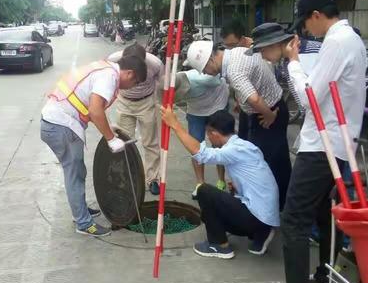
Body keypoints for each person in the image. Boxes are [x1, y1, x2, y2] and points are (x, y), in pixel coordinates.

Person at [257, 0, 367, 283]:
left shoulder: (336, 41)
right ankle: (325, 277)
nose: (306, 33)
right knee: (323, 214)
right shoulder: (352, 39)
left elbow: (308, 101)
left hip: (323, 145)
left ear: (316, 16)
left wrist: (293, 64)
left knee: (294, 219)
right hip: (339, 142)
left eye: (306, 25)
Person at [41, 54, 147, 237]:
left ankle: (80, 210)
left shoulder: (104, 67)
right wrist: (111, 139)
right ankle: (83, 223)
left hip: (55, 122)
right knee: (74, 174)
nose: (132, 87)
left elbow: (87, 105)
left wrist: (108, 127)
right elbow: (95, 110)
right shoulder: (110, 77)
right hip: (61, 126)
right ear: (130, 74)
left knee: (77, 172)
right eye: (135, 82)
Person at [186, 41, 291, 210]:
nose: (206, 73)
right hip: (267, 106)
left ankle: (273, 209)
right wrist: (240, 101)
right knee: (272, 158)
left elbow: (254, 99)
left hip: (268, 112)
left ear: (211, 60)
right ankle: (270, 203)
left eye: (205, 69)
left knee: (270, 162)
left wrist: (269, 115)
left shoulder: (233, 70)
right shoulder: (237, 52)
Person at [161, 107, 279, 257]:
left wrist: (175, 124)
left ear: (214, 134)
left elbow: (200, 154)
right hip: (265, 217)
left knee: (203, 191)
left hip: (256, 217)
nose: (208, 139)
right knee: (218, 204)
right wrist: (239, 187)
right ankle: (262, 233)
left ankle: (219, 245)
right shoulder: (247, 146)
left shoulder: (232, 150)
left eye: (208, 135)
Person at [108, 43, 162, 195]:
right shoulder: (114, 59)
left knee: (150, 143)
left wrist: (163, 104)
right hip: (124, 102)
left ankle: (153, 179)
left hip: (146, 103)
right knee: (123, 141)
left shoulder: (156, 63)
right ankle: (126, 177)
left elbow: (163, 82)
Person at [170, 69, 230, 198]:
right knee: (195, 146)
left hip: (216, 105)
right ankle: (200, 183)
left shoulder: (203, 78)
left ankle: (221, 180)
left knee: (219, 145)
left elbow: (222, 80)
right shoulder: (174, 86)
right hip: (196, 110)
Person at [220, 19, 252, 139]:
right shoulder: (233, 53)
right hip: (245, 104)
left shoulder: (255, 51)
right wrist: (239, 101)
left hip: (257, 106)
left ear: (242, 39)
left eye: (232, 45)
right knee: (243, 137)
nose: (230, 50)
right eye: (226, 46)